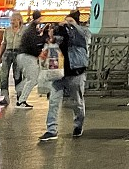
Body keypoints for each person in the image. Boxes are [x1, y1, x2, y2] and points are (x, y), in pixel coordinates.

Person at [39, 10, 90, 141]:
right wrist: (52, 35)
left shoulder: (83, 32)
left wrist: (70, 26)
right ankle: (51, 130)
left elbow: (76, 36)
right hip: (59, 73)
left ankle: (78, 125)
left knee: (76, 102)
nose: (67, 24)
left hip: (75, 72)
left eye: (71, 21)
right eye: (66, 21)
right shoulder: (62, 33)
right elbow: (53, 42)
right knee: (54, 101)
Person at [15, 11, 45, 108]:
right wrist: (39, 53)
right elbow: (32, 45)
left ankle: (21, 95)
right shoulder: (32, 30)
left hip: (22, 56)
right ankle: (21, 100)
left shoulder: (30, 28)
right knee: (33, 79)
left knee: (31, 78)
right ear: (39, 18)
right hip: (27, 56)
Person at [0, 13, 24, 106]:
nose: (12, 22)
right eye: (11, 20)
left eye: (15, 20)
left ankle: (20, 96)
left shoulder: (24, 30)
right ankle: (5, 97)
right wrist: (0, 56)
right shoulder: (7, 30)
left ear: (19, 20)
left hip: (18, 53)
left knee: (17, 76)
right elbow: (3, 43)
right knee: (3, 75)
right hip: (8, 53)